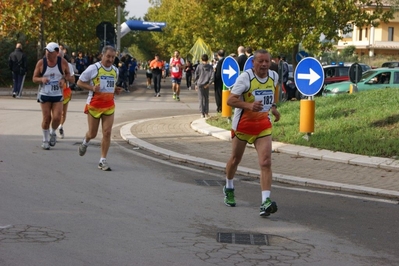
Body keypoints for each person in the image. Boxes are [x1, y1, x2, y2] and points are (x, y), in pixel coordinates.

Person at [223, 49, 281, 217]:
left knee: (265, 162)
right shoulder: (245, 78)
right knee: (235, 160)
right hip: (243, 127)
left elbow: (273, 92)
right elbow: (230, 100)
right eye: (260, 61)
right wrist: (249, 106)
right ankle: (229, 186)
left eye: (267, 61)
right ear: (253, 63)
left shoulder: (273, 77)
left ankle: (265, 201)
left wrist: (274, 108)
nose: (264, 64)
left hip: (263, 125)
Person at [77, 45, 123, 171]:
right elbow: (79, 82)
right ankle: (85, 141)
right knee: (92, 133)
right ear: (102, 55)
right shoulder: (94, 68)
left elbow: (110, 86)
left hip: (109, 106)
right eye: (108, 56)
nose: (110, 59)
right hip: (94, 105)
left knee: (107, 133)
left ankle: (102, 160)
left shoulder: (115, 70)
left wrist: (115, 90)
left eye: (113, 57)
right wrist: (92, 88)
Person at [32, 42, 73, 150]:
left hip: (57, 94)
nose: (47, 54)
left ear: (56, 52)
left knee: (57, 117)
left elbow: (68, 75)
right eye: (46, 51)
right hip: (44, 94)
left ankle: (53, 132)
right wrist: (41, 79)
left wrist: (63, 80)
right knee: (46, 118)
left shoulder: (62, 62)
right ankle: (45, 140)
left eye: (49, 52)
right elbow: (34, 78)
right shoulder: (41, 63)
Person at [58, 50, 76, 139]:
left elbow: (73, 79)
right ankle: (53, 130)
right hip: (53, 92)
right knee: (55, 113)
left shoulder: (68, 65)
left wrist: (65, 77)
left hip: (65, 91)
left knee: (63, 113)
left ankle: (60, 126)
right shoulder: (49, 64)